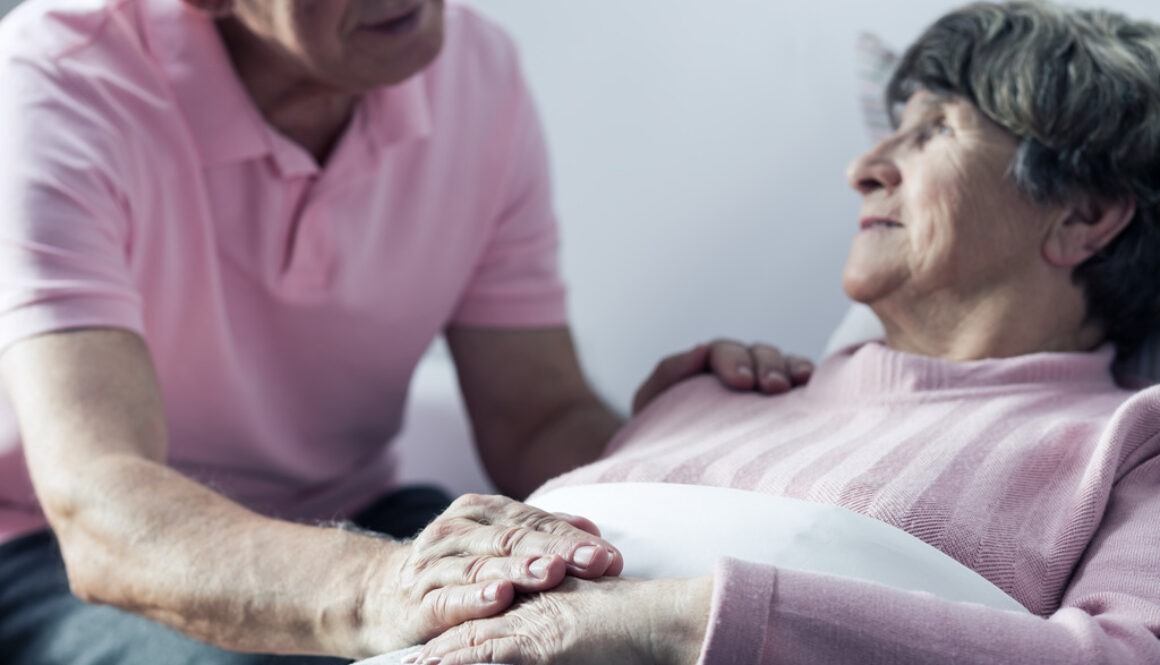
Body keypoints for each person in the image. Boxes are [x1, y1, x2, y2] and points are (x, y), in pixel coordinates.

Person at [0, 0, 815, 663]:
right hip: (43, 555)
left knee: (592, 623)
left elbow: (536, 415)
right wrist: (378, 591)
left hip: (363, 514)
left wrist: (685, 460)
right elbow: (99, 507)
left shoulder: (477, 72)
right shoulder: (55, 79)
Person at [408, 2, 1160, 663]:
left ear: (1083, 215)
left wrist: (673, 620)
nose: (864, 168)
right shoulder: (712, 388)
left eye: (935, 131)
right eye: (893, 130)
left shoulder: (1131, 443)